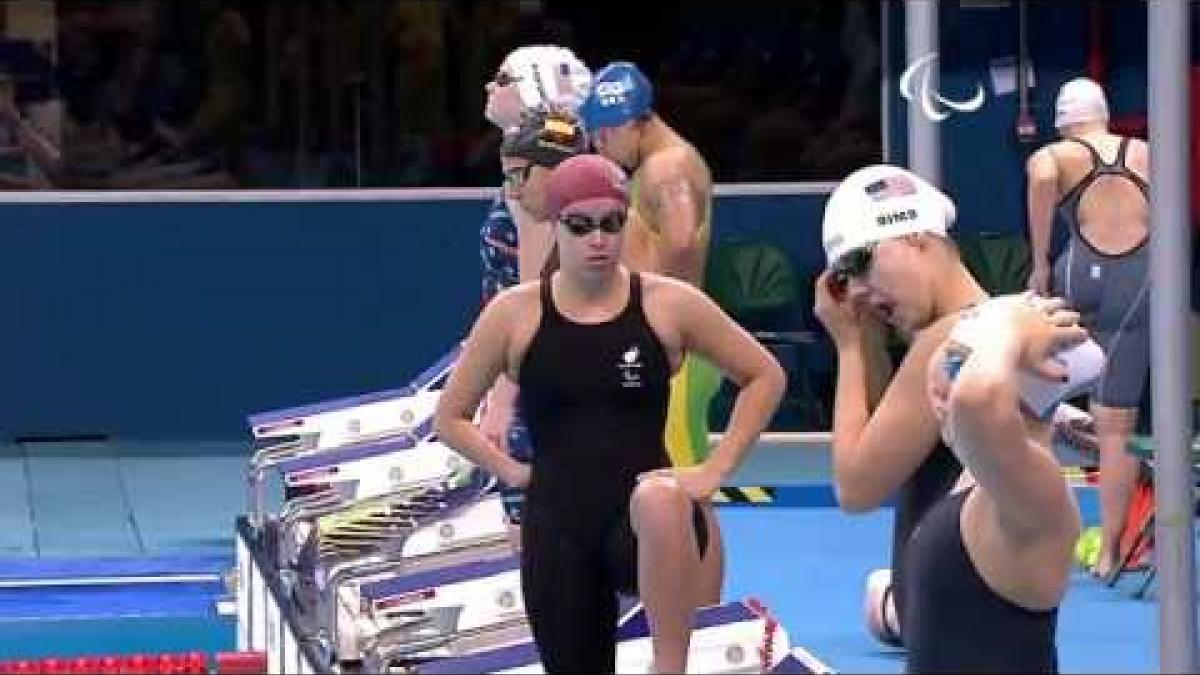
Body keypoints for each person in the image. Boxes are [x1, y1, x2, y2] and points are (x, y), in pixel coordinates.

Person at [434, 153, 786, 672]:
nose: (597, 239)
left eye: (611, 224)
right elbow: (451, 417)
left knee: (659, 497)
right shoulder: (515, 314)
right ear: (556, 226)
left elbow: (765, 375)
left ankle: (670, 666)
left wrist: (716, 470)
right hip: (559, 524)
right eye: (580, 226)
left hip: (648, 530)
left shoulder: (668, 305)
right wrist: (512, 471)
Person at [815, 164, 974, 648]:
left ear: (918, 239)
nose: (858, 289)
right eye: (845, 276)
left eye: (861, 262)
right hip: (959, 622)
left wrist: (845, 347)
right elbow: (887, 428)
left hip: (953, 635)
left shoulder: (946, 341)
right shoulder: (997, 323)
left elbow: (855, 488)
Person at [911, 292, 1099, 673]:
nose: (938, 389)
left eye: (956, 365)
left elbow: (977, 401)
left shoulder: (1040, 498)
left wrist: (1008, 328)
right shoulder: (991, 480)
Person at [1025, 76, 1150, 580]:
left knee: (1029, 393)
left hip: (1077, 272)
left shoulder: (1054, 157)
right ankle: (1111, 553)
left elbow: (1038, 184)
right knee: (1117, 424)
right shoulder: (1145, 152)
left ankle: (1033, 532)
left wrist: (1038, 263)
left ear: (1062, 121)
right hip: (1138, 280)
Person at [578, 60, 722, 472]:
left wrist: (658, 320)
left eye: (603, 134)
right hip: (675, 346)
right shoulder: (662, 165)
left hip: (675, 351)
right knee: (677, 481)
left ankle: (698, 539)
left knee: (678, 484)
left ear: (633, 122)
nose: (600, 147)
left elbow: (680, 240)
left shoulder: (667, 167)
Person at [477, 46, 591, 530]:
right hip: (527, 364)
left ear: (532, 91)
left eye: (502, 78)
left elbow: (532, 298)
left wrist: (502, 400)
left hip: (534, 375)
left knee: (532, 522)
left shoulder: (538, 181)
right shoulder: (535, 161)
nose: (489, 86)